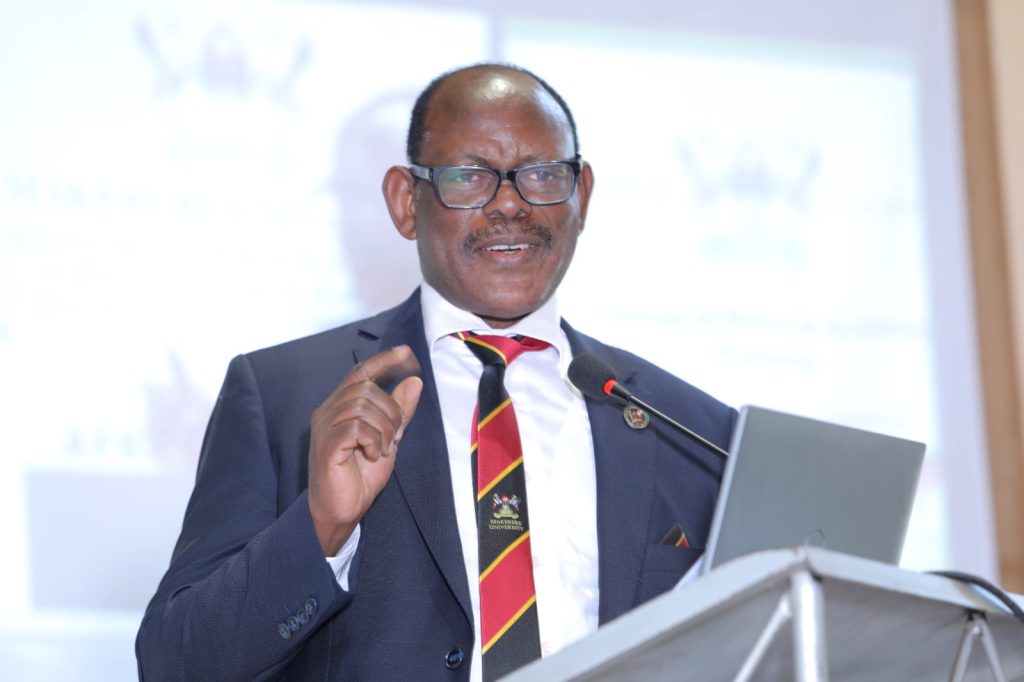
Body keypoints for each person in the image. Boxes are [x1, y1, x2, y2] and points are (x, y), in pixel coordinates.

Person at [136, 63, 736, 681]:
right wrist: (320, 527)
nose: (510, 203)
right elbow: (174, 666)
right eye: (469, 176)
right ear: (405, 201)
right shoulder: (285, 397)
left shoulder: (692, 430)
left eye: (541, 175)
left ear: (580, 197)